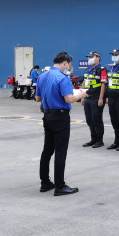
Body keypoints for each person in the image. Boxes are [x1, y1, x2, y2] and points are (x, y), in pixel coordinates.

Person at [36, 51, 87, 196]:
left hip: (47, 115)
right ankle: (60, 185)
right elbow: (69, 99)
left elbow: (38, 98)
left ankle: (45, 182)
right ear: (65, 63)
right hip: (60, 117)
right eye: (69, 64)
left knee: (47, 150)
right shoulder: (63, 78)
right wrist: (81, 94)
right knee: (60, 151)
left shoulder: (42, 76)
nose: (68, 67)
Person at [82, 51, 107, 148]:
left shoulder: (102, 69)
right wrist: (83, 96)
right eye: (89, 57)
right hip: (88, 97)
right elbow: (84, 82)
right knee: (89, 119)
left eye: (92, 57)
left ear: (98, 58)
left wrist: (101, 98)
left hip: (96, 97)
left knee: (97, 119)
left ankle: (99, 140)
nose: (90, 59)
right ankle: (93, 139)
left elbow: (103, 84)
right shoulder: (87, 69)